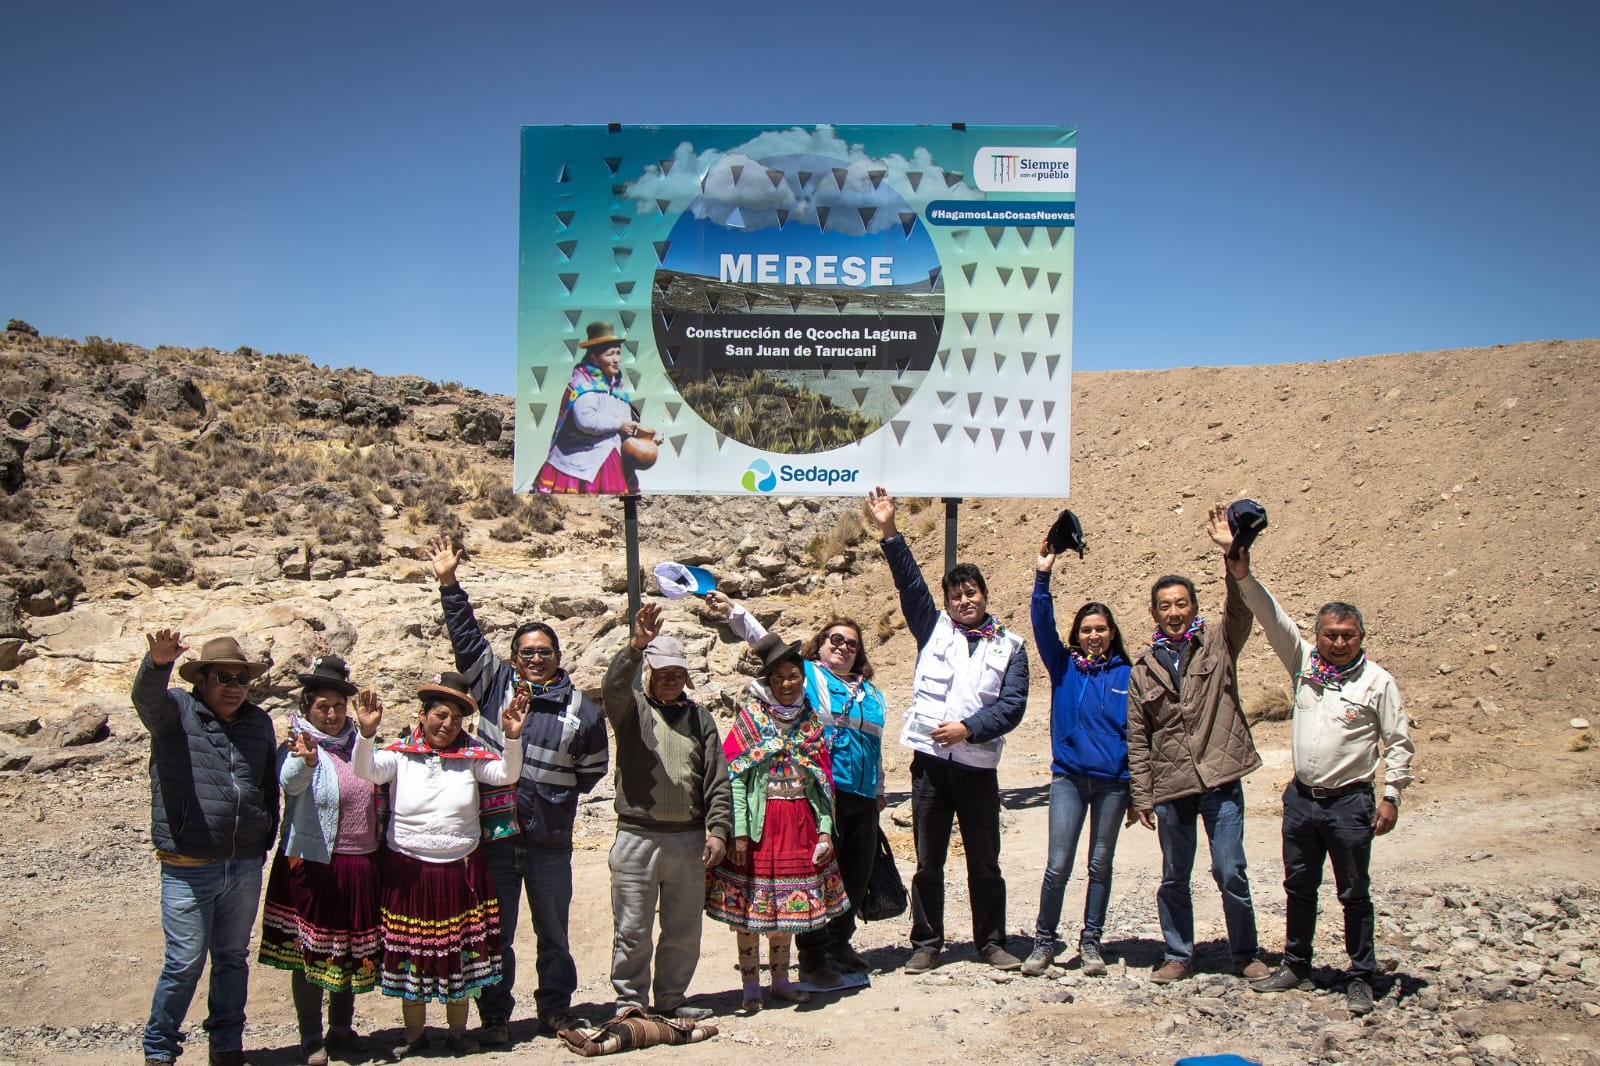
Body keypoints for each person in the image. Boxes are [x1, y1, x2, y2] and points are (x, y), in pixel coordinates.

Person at [1226, 518, 1414, 1015]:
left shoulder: (1377, 682)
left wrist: (1391, 796)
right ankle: (1297, 964)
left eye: (1347, 636)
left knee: (1354, 892)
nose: (1338, 643)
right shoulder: (1305, 664)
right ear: (1318, 636)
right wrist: (1243, 575)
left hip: (1350, 803)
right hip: (1302, 800)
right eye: (1330, 635)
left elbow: (1398, 742)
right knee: (1298, 887)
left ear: (1361, 637)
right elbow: (1272, 619)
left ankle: (1361, 974)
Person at [428, 534, 609, 1041]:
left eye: (544, 652)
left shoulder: (581, 709)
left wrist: (551, 800)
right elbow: (467, 640)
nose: (535, 658)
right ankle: (495, 1016)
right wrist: (449, 584)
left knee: (554, 934)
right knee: (496, 933)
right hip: (495, 840)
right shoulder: (492, 686)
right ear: (513, 657)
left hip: (549, 842)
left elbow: (591, 771)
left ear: (558, 656)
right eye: (527, 652)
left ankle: (555, 1009)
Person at [865, 487, 1029, 973]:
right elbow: (909, 583)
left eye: (971, 592)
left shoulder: (1011, 646)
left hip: (978, 769)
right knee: (928, 861)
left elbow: (1013, 706)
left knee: (985, 862)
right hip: (930, 768)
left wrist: (968, 729)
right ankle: (926, 943)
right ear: (947, 601)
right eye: (955, 595)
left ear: (985, 595)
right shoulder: (933, 627)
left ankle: (991, 943)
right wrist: (890, 530)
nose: (964, 600)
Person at [706, 590, 887, 984]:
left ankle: (840, 944)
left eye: (852, 644)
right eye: (835, 639)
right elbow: (766, 644)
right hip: (824, 793)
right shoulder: (810, 678)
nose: (843, 647)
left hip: (862, 794)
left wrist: (879, 789)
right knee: (816, 873)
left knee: (854, 875)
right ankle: (814, 956)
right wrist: (735, 612)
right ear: (819, 646)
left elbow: (875, 743)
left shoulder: (871, 693)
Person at [1126, 510, 1270, 984]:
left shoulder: (1218, 642)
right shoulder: (1143, 668)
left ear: (1193, 606)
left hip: (1220, 778)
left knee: (1230, 869)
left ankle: (1244, 953)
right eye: (1165, 606)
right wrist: (1141, 795)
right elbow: (1138, 737)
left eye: (1182, 604)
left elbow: (1241, 608)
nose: (1174, 613)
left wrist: (1232, 554)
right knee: (1174, 875)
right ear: (1154, 613)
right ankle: (1178, 954)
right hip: (1172, 787)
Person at [353, 673, 527, 1058]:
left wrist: (512, 738)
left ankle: (458, 1032)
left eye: (456, 719)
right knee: (412, 953)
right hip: (408, 872)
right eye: (440, 715)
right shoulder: (399, 755)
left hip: (459, 872)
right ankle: (414, 1033)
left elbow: (506, 774)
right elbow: (366, 771)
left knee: (458, 953)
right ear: (422, 715)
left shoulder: (472, 758)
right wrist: (366, 734)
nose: (447, 724)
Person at [134, 632, 279, 1066]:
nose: (234, 687)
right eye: (223, 678)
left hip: (244, 863)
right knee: (184, 963)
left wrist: (264, 835)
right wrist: (157, 665)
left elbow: (266, 783)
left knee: (233, 959)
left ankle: (227, 1046)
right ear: (202, 680)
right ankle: (160, 1049)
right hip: (189, 862)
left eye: (241, 679)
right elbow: (146, 700)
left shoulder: (258, 723)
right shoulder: (177, 712)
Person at [705, 633, 851, 1013]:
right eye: (778, 678)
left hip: (799, 825)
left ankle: (782, 981)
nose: (787, 684)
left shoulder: (809, 721)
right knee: (752, 911)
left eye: (793, 676)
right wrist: (738, 833)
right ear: (767, 681)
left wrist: (824, 829)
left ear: (802, 678)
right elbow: (736, 780)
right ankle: (751, 985)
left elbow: (822, 782)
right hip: (760, 827)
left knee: (786, 910)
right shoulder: (751, 720)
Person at [601, 603, 733, 1021]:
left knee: (683, 928)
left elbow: (717, 780)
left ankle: (672, 999)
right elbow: (612, 688)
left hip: (688, 841)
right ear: (649, 674)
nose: (671, 680)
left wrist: (718, 831)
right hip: (637, 837)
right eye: (663, 673)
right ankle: (630, 1002)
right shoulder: (632, 711)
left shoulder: (701, 719)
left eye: (678, 673)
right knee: (633, 928)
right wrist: (635, 647)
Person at [258, 656, 383, 1066]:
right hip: (314, 863)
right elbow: (289, 783)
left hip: (360, 861)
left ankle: (342, 1029)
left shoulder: (359, 745)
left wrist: (368, 733)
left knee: (348, 949)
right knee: (311, 953)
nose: (331, 714)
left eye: (338, 706)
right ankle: (311, 1036)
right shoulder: (297, 745)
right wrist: (307, 761)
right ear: (306, 707)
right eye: (322, 706)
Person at [1020, 538, 1134, 978]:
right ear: (1076, 635)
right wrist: (1042, 575)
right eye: (1086, 629)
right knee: (1058, 865)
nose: (1093, 635)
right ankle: (1044, 942)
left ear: (1112, 633)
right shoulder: (1063, 666)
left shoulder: (1129, 674)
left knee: (1100, 866)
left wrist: (1140, 790)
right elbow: (1041, 623)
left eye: (1100, 629)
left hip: (1113, 784)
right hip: (1068, 779)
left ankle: (1091, 943)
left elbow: (1140, 734)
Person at [533, 320, 660, 494]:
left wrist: (648, 437)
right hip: (578, 465)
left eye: (618, 353)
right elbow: (585, 420)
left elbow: (626, 425)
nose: (616, 360)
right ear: (594, 358)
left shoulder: (618, 389)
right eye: (610, 354)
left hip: (610, 459)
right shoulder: (583, 384)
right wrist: (619, 425)